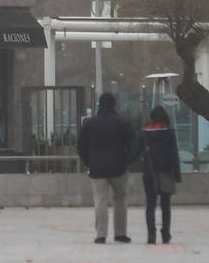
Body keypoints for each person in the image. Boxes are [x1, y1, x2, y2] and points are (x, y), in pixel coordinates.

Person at [77, 92, 140, 244]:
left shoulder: (90, 125)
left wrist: (89, 162)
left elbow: (81, 147)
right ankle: (120, 233)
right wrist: (127, 161)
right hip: (118, 167)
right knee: (120, 200)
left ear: (99, 105)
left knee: (100, 201)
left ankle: (101, 234)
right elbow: (134, 144)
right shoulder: (122, 124)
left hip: (97, 169)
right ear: (114, 105)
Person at [139, 105, 181, 244]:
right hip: (166, 173)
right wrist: (177, 174)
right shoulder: (169, 132)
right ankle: (165, 234)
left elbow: (136, 150)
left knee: (150, 204)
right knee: (165, 205)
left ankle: (151, 234)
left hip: (149, 173)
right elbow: (174, 154)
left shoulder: (145, 133)